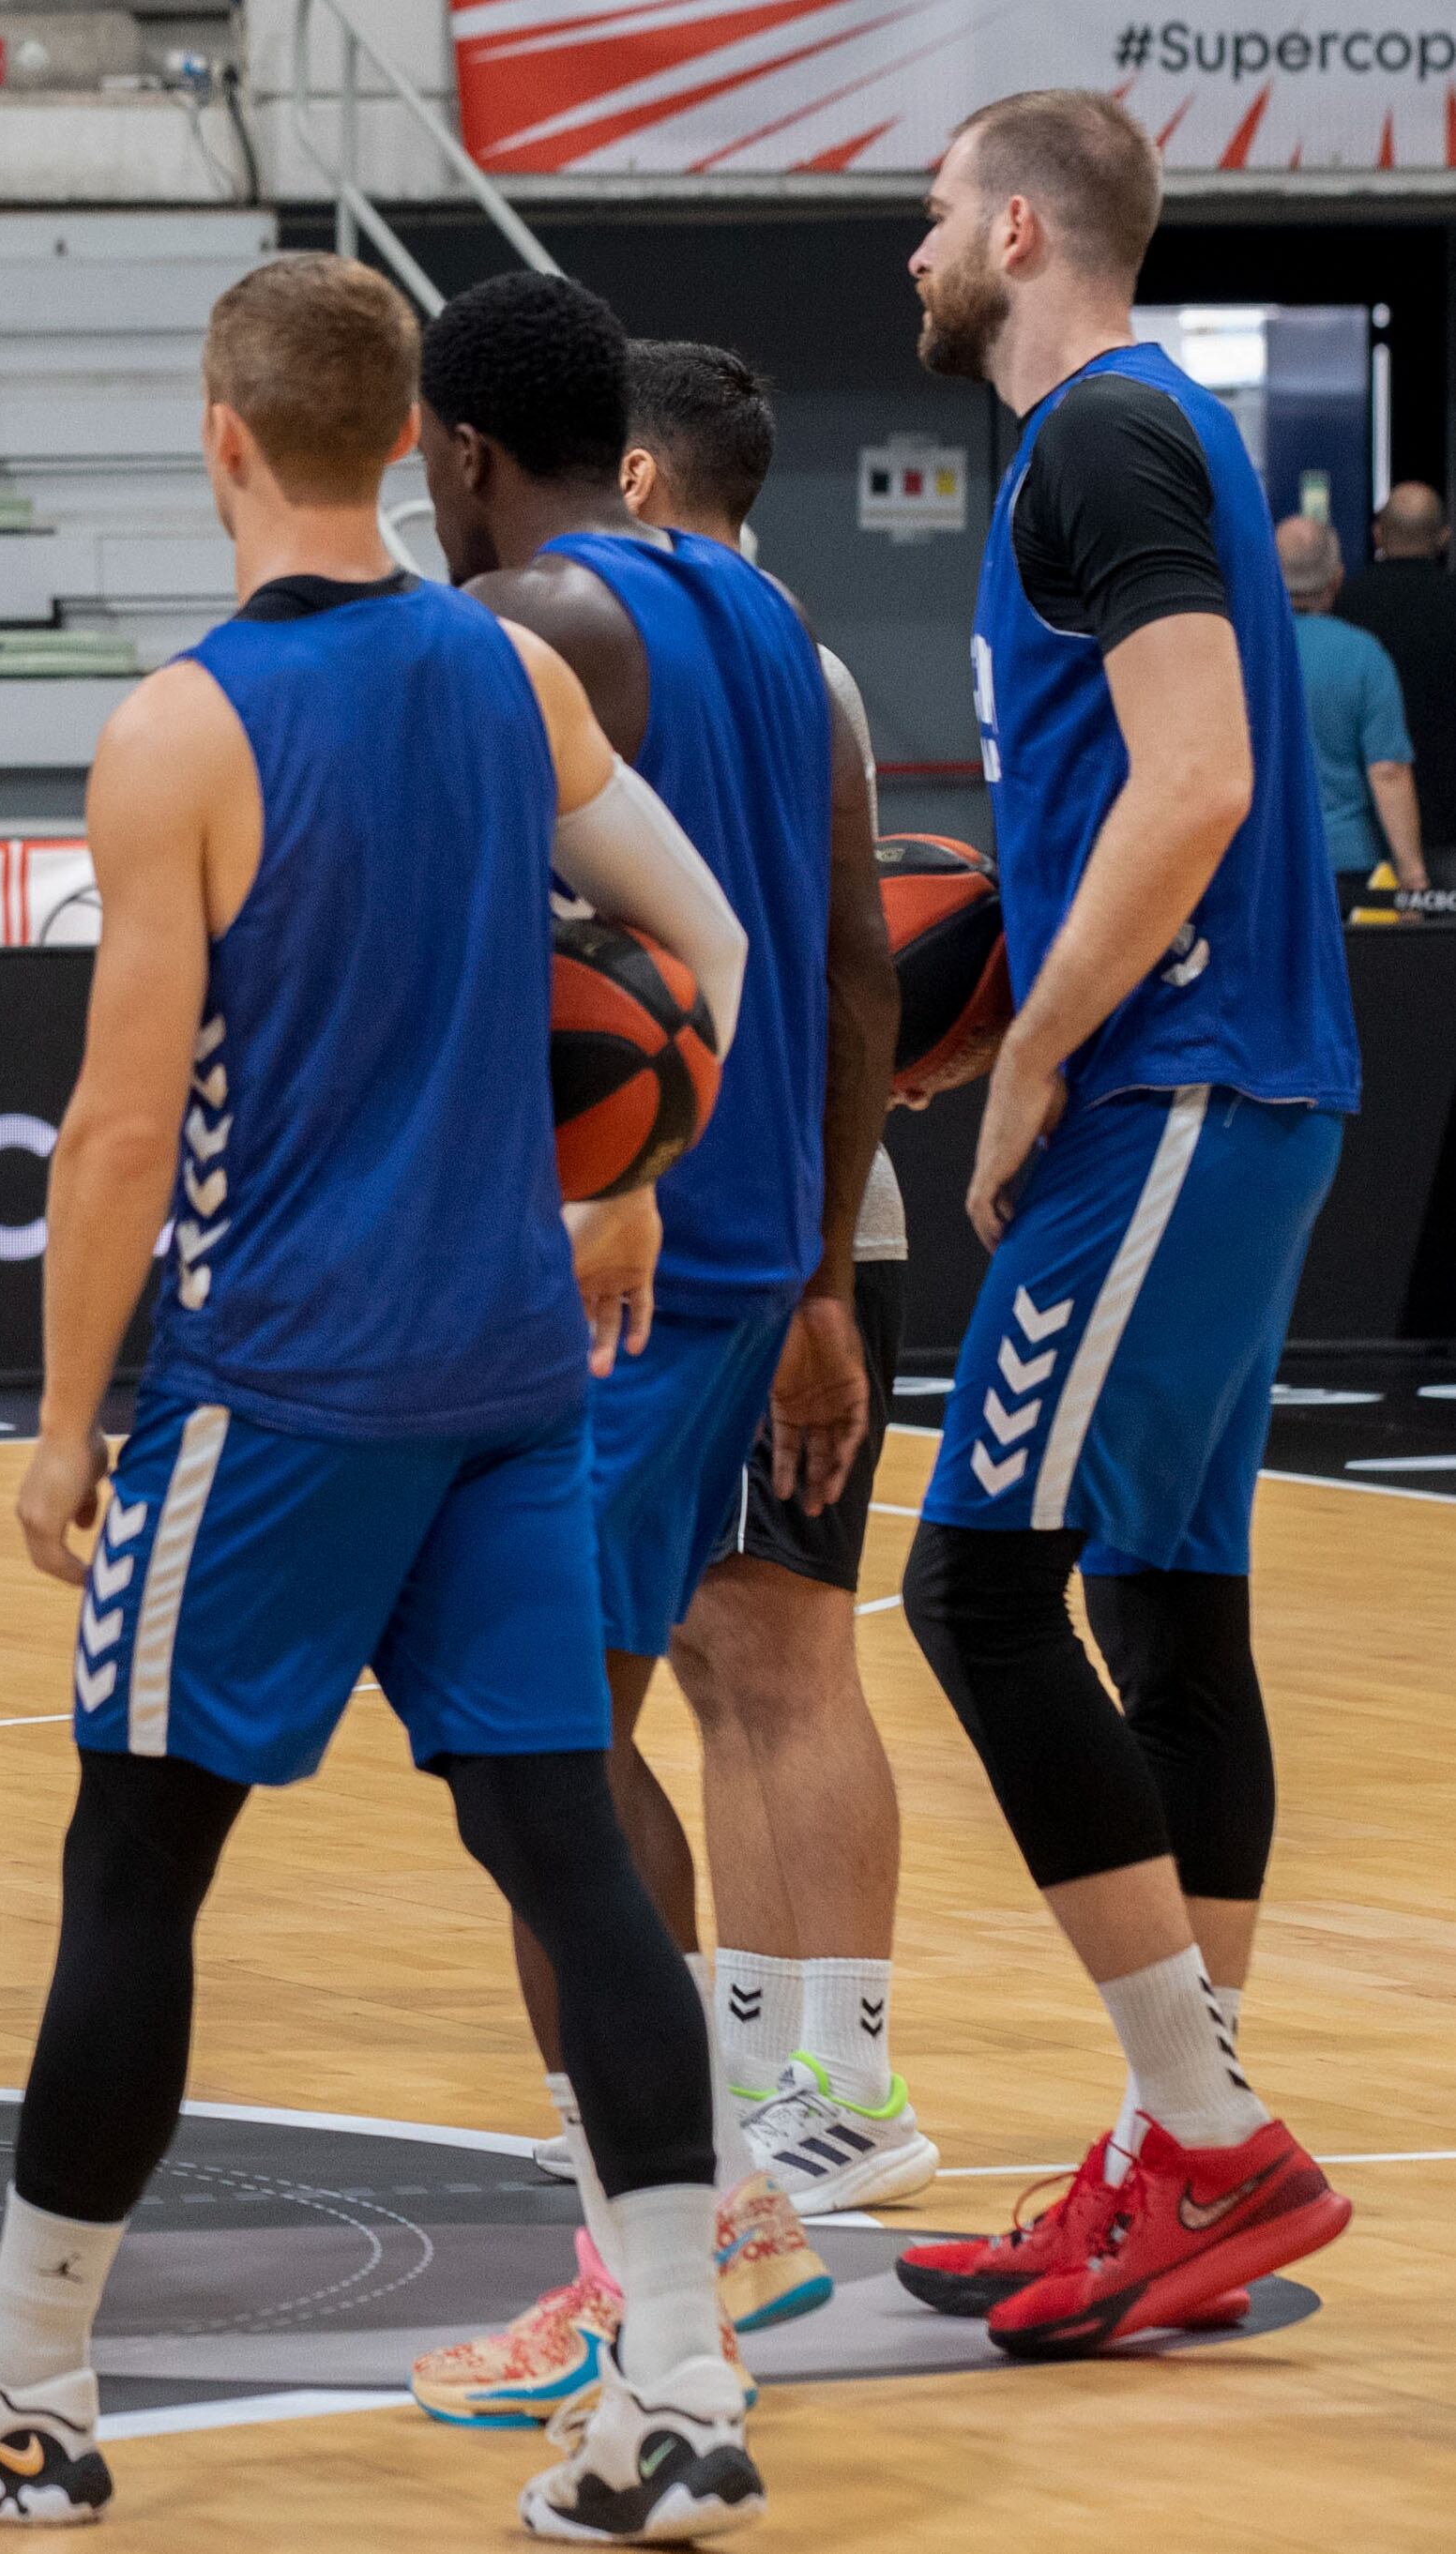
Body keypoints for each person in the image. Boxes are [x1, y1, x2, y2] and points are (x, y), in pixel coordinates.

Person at [0, 251, 766, 2545]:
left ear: (220, 435)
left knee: (135, 1858)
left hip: (281, 1382)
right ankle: (683, 2384)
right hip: (513, 1371)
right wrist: (640, 1165)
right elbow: (702, 950)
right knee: (568, 1861)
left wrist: (55, 1422)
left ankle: (20, 2386)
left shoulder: (182, 731)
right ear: (409, 435)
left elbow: (120, 1131)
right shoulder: (514, 677)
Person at [892, 85, 1359, 2356]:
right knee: (1174, 1601)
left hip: (1174, 1076)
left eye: (924, 223)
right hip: (1239, 1076)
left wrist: (1036, 1050)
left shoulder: (1098, 437)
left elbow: (1200, 779)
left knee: (974, 1581)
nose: (906, 260)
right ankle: (1185, 2151)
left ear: (1012, 228)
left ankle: (1203, 2126)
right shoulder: (1124, 445)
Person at [402, 276, 866, 2419]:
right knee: (570, 1752)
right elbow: (850, 945)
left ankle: (667, 2243)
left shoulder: (545, 625)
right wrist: (834, 1270)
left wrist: (620, 1183)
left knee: (541, 1773)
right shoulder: (764, 613)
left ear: (460, 450)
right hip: (747, 1242)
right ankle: (707, 2199)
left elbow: (550, 967)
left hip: (630, 1259)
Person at [616, 341, 936, 2213]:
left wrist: (816, 1275)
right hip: (757, 1226)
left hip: (777, 1235)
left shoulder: (729, 652)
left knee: (776, 1660)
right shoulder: (772, 650)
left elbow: (857, 978)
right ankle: (758, 2063)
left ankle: (846, 2078)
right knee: (715, 1661)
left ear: (642, 477)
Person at [1278, 514, 1425, 901]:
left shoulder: (1240, 654)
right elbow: (1388, 771)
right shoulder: (1364, 655)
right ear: (1337, 577)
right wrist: (1412, 876)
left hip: (1265, 861)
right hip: (1349, 866)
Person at [1335, 480, 1456, 850]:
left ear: (1378, 534)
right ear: (1444, 537)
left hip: (1368, 819)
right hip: (1448, 808)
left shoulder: (1345, 603)